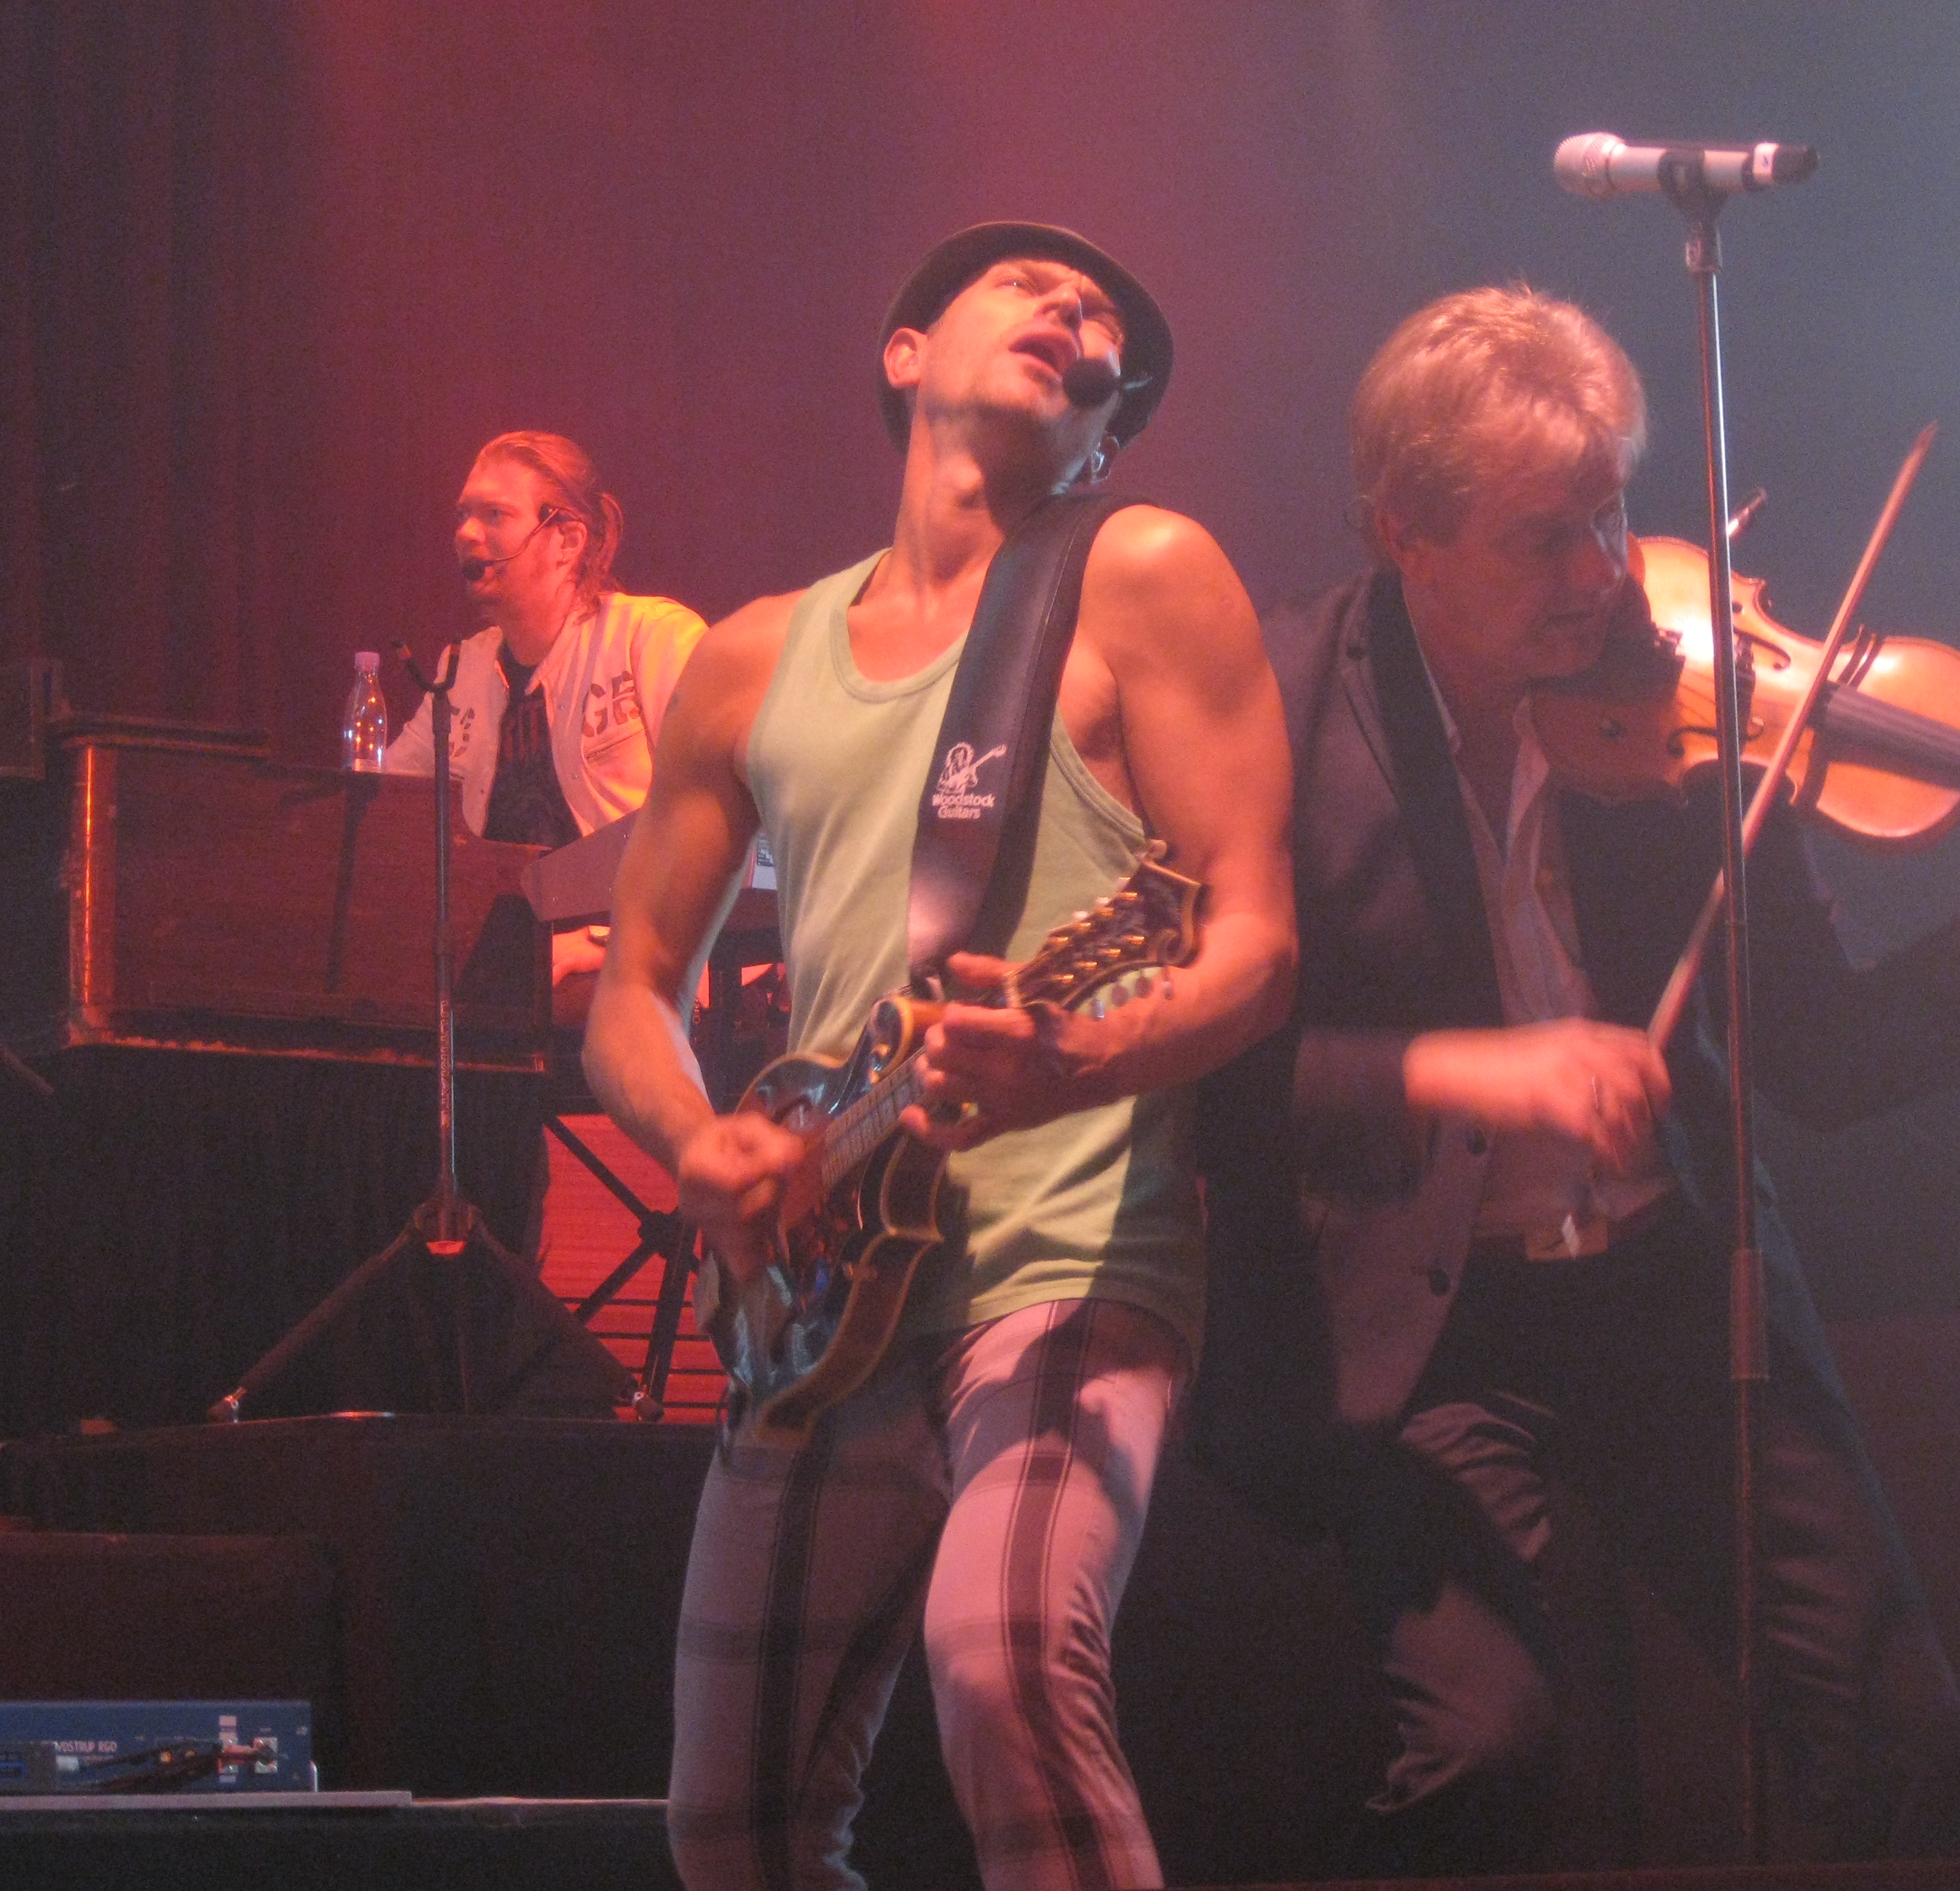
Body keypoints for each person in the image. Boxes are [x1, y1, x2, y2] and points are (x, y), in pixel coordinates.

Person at [1193, 285, 1960, 1873]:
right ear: (1402, 533)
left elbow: (1818, 1055)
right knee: (1486, 1756)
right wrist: (1469, 1071)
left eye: (1609, 515)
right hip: (1424, 1330)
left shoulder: (1683, 696)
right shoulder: (1272, 710)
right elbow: (1209, 1080)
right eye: (1541, 538)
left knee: (1904, 1742)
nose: (1600, 575)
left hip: (1670, 1288)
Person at [581, 223, 1295, 1891]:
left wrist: (1079, 1057)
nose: (1071, 306)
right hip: (821, 1289)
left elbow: (1255, 941)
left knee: (1004, 1659)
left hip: (1067, 1256)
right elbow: (631, 985)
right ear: (905, 353)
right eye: (1028, 282)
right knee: (731, 1830)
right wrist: (699, 1142)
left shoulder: (1142, 571)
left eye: (1101, 319)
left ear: (1111, 421)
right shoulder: (753, 653)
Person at [385, 430, 710, 1010]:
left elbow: (725, 829)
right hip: (512, 977)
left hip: (643, 977)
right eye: (462, 515)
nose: (466, 533)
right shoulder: (462, 668)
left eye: (494, 515)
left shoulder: (654, 638)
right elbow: (384, 800)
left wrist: (600, 941)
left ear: (567, 540)